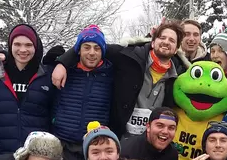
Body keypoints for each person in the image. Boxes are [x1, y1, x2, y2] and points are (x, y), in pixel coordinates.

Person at [53, 21, 185, 139]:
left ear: (176, 50)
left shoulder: (178, 77)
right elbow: (92, 47)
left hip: (149, 144)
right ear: (152, 41)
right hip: (119, 140)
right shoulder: (128, 56)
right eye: (162, 37)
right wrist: (62, 63)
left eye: (172, 40)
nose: (166, 42)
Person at [0, 24, 56, 156]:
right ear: (10, 46)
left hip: (38, 157)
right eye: (17, 44)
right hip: (4, 155)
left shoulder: (47, 76)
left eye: (28, 45)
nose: (23, 50)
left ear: (36, 46)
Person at [50, 25, 115, 160]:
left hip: (95, 146)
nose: (92, 53)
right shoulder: (65, 71)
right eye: (86, 47)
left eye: (97, 48)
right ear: (78, 50)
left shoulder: (111, 73)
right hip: (63, 144)